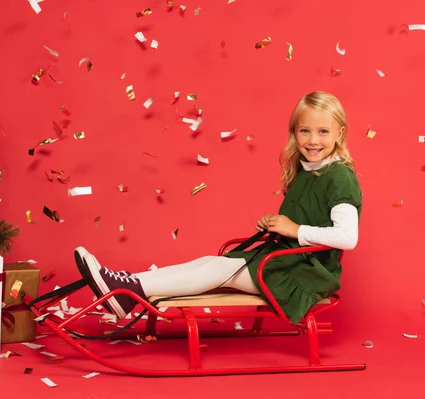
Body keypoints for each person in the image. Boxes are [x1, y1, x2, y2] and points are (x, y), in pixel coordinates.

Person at [74, 91, 362, 324]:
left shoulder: (339, 176)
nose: (313, 140)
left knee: (217, 269)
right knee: (210, 263)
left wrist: (294, 229)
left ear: (339, 133)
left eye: (323, 131)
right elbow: (305, 216)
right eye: (305, 131)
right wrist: (277, 223)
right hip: (283, 260)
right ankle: (128, 285)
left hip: (306, 275)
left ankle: (129, 290)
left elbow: (347, 237)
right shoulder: (307, 170)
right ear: (294, 133)